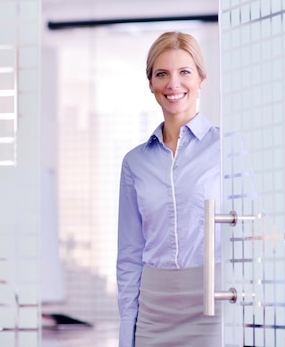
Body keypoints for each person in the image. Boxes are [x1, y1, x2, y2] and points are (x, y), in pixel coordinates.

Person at [116, 31, 222, 347]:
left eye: (184, 72)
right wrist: (127, 333)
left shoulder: (226, 149)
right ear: (151, 83)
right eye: (162, 74)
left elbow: (251, 232)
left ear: (201, 78)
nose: (173, 84)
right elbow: (129, 255)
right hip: (154, 310)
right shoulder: (134, 163)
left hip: (212, 304)